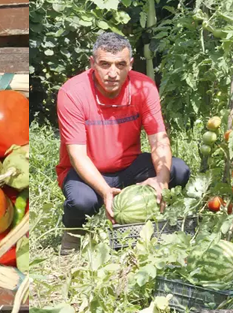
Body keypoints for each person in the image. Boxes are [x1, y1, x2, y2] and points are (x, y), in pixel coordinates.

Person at [57, 32, 191, 255]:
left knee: (178, 170)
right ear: (92, 64)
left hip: (129, 167)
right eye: (105, 64)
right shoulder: (72, 92)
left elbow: (159, 139)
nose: (112, 73)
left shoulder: (143, 88)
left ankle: (147, 223)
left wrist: (162, 181)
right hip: (85, 170)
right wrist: (105, 191)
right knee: (82, 201)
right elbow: (77, 156)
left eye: (120, 65)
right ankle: (72, 235)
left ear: (130, 64)